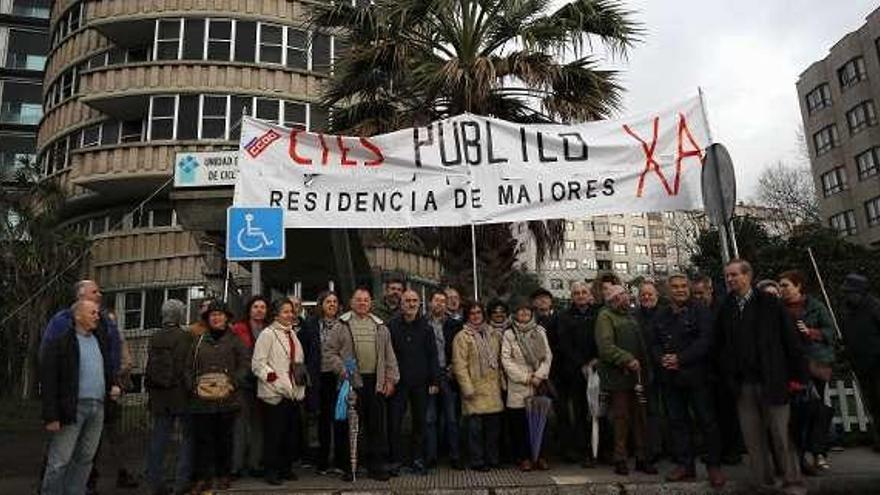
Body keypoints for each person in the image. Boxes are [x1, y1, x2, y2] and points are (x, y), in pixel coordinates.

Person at [713, 259, 806, 495]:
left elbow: (790, 341)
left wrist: (797, 377)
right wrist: (728, 376)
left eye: (734, 275)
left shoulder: (770, 304)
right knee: (754, 441)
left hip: (773, 381)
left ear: (748, 276)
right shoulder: (725, 308)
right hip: (743, 385)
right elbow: (720, 345)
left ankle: (792, 483)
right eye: (727, 276)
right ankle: (764, 485)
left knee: (780, 437)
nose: (730, 279)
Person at [651, 274, 725, 487]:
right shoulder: (662, 314)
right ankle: (686, 465)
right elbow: (653, 342)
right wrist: (662, 359)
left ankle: (714, 466)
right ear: (667, 290)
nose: (680, 290)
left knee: (706, 421)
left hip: (697, 376)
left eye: (684, 286)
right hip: (671, 378)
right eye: (675, 287)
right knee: (677, 422)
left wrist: (680, 359)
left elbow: (706, 340)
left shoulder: (701, 310)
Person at [40, 299, 119, 495]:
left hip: (97, 408)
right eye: (92, 312)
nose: (97, 316)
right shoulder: (61, 344)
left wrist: (113, 385)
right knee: (60, 460)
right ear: (77, 316)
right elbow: (49, 381)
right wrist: (52, 416)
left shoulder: (99, 341)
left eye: (97, 312)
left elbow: (106, 368)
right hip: (72, 408)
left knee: (85, 458)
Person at [185, 301, 250, 494]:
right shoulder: (198, 341)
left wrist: (233, 383)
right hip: (201, 402)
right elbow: (188, 368)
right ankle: (201, 478)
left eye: (220, 314)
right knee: (202, 442)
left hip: (227, 401)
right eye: (212, 315)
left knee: (224, 440)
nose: (216, 318)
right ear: (207, 318)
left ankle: (223, 475)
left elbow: (245, 364)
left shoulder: (235, 340)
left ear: (226, 318)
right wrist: (193, 387)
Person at [337, 286, 400, 481]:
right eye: (359, 299)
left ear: (371, 303)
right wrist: (342, 369)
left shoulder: (381, 327)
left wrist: (391, 379)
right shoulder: (342, 325)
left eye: (366, 300)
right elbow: (329, 353)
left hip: (376, 382)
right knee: (352, 426)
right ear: (351, 303)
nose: (362, 303)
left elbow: (390, 356)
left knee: (376, 426)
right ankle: (351, 467)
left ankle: (377, 466)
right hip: (352, 381)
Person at [595, 285, 657, 476]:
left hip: (638, 375)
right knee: (621, 419)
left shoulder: (630, 315)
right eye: (622, 295)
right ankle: (620, 458)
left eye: (625, 294)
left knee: (640, 418)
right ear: (613, 299)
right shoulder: (605, 316)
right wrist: (626, 359)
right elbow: (605, 347)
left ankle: (641, 457)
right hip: (618, 376)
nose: (626, 297)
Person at [779, 270, 836, 474]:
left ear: (798, 286)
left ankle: (819, 452)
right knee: (796, 414)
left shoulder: (815, 306)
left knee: (816, 410)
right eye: (780, 285)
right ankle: (801, 455)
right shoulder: (779, 308)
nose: (782, 289)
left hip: (815, 365)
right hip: (792, 368)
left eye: (785, 285)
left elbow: (831, 332)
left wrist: (810, 332)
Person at [252, 298, 308, 485]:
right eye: (285, 312)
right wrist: (275, 380)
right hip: (274, 393)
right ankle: (272, 471)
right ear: (276, 314)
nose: (290, 315)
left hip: (292, 393)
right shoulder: (267, 334)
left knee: (289, 434)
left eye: (291, 312)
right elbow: (258, 364)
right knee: (274, 435)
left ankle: (285, 468)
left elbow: (296, 361)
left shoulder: (292, 334)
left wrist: (300, 381)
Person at [388, 290, 440, 475]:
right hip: (398, 382)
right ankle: (396, 460)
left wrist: (435, 380)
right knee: (395, 422)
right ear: (401, 304)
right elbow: (387, 354)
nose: (411, 304)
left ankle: (417, 459)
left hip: (421, 382)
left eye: (414, 301)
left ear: (420, 304)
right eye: (407, 301)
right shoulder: (392, 326)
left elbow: (433, 355)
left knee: (420, 422)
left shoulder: (426, 327)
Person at [692, 275, 743, 465]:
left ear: (709, 290)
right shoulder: (695, 311)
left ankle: (732, 450)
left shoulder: (723, 308)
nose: (698, 297)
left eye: (700, 293)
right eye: (695, 293)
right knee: (709, 415)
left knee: (728, 412)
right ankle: (716, 450)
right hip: (704, 369)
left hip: (724, 369)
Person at [145, 299, 194, 495]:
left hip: (159, 395)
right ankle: (181, 481)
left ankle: (154, 481)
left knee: (159, 439)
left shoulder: (154, 337)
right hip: (180, 395)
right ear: (180, 315)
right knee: (187, 438)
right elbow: (185, 368)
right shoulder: (184, 337)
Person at [501, 299, 553, 471]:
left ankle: (541, 456)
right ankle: (524, 458)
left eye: (527, 312)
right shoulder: (509, 334)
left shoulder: (539, 331)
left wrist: (538, 376)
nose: (523, 315)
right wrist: (526, 377)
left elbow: (547, 357)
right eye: (520, 312)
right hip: (519, 386)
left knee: (541, 423)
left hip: (538, 384)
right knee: (520, 425)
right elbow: (506, 360)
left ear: (532, 313)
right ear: (515, 314)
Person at [453, 300, 504, 471]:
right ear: (467, 316)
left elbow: (498, 360)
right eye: (472, 313)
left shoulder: (493, 334)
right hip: (474, 389)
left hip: (492, 388)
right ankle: (477, 461)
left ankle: (493, 458)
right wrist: (467, 388)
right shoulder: (462, 336)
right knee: (475, 430)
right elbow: (459, 365)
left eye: (478, 313)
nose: (476, 316)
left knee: (493, 430)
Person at [305, 291, 352, 476]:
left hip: (339, 376)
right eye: (328, 301)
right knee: (323, 420)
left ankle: (341, 461)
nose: (332, 304)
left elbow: (349, 350)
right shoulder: (311, 325)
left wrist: (348, 373)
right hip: (319, 377)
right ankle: (323, 462)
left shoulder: (344, 325)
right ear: (321, 304)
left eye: (334, 301)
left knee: (340, 419)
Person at [553, 281, 598, 466]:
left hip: (597, 369)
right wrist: (582, 364)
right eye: (577, 293)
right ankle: (584, 451)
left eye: (584, 292)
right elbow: (564, 344)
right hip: (575, 372)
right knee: (580, 413)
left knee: (597, 412)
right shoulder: (564, 317)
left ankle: (601, 450)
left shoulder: (598, 314)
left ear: (589, 295)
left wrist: (596, 360)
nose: (580, 295)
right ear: (572, 296)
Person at [230, 296, 271, 478]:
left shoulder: (270, 330)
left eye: (263, 307)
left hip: (263, 383)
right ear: (249, 309)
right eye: (256, 306)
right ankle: (236, 466)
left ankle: (255, 463)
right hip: (243, 384)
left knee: (259, 425)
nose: (259, 310)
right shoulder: (238, 329)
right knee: (239, 426)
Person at [838, 273, 880, 452]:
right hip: (862, 366)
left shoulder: (875, 307)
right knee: (874, 406)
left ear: (862, 292)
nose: (848, 295)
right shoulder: (848, 311)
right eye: (846, 292)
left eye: (851, 292)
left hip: (878, 365)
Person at [424, 290, 464, 469]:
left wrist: (453, 367)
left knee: (451, 418)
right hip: (429, 376)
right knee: (430, 418)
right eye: (436, 300)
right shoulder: (422, 324)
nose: (439, 304)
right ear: (430, 302)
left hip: (448, 375)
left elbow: (460, 349)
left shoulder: (455, 325)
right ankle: (431, 456)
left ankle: (455, 456)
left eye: (443, 301)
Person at [635, 280, 664, 465]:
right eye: (643, 295)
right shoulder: (634, 316)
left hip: (665, 366)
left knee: (671, 409)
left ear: (657, 296)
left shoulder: (665, 313)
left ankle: (673, 447)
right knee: (649, 410)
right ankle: (653, 449)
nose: (646, 297)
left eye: (650, 294)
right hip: (643, 370)